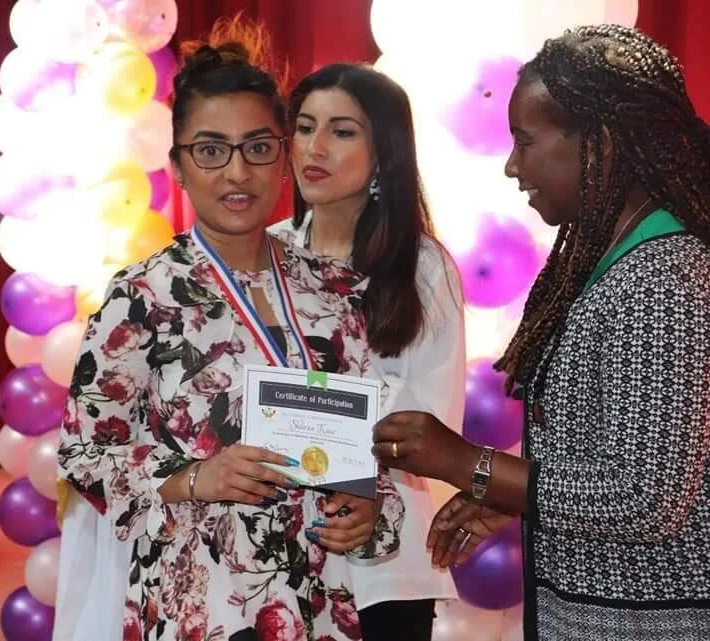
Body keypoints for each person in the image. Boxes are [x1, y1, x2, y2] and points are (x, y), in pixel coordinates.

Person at [57, 18, 401, 641]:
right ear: (179, 168)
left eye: (258, 147)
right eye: (210, 150)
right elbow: (84, 455)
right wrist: (194, 477)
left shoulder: (332, 290)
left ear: (284, 157)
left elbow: (370, 448)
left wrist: (371, 506)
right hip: (199, 605)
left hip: (319, 601)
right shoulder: (141, 296)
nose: (237, 172)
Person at [372, 24, 710, 641]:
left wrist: (464, 461)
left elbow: (645, 498)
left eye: (526, 141)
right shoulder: (612, 256)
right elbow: (608, 449)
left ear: (599, 143)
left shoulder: (662, 275)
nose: (510, 164)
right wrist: (509, 494)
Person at [269, 64, 466, 641]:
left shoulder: (424, 269)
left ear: (385, 153)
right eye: (304, 128)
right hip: (268, 550)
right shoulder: (265, 253)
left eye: (342, 131)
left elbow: (432, 425)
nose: (316, 147)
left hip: (382, 557)